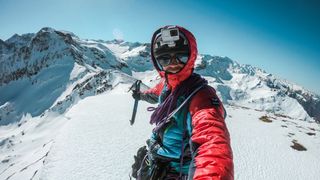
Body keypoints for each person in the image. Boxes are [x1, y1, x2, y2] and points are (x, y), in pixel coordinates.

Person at [131, 25, 234, 180]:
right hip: (155, 160)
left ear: (191, 56)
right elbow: (155, 94)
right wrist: (140, 95)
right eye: (165, 58)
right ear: (158, 61)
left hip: (175, 171)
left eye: (181, 56)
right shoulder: (167, 85)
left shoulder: (202, 97)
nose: (173, 63)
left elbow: (212, 143)